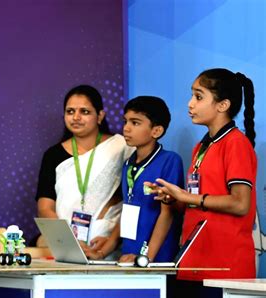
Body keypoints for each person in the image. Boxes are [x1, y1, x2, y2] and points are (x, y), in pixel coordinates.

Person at [146, 68, 256, 297]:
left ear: (222, 105)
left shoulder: (236, 143)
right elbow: (200, 202)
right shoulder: (202, 147)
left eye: (198, 96)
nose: (189, 104)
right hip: (193, 262)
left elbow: (240, 204)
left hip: (224, 268)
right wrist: (175, 199)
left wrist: (187, 197)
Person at [36, 84, 133, 259]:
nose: (76, 117)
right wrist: (67, 239)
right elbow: (45, 207)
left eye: (85, 112)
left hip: (107, 244)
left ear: (100, 116)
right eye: (70, 111)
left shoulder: (121, 148)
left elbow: (133, 202)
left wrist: (112, 240)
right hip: (66, 248)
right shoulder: (53, 155)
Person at [116, 96, 183, 263]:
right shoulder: (128, 164)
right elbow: (127, 209)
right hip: (129, 255)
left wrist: (147, 257)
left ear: (156, 131)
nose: (126, 128)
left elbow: (167, 214)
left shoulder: (169, 161)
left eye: (135, 123)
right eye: (125, 121)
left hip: (155, 259)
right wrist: (103, 250)